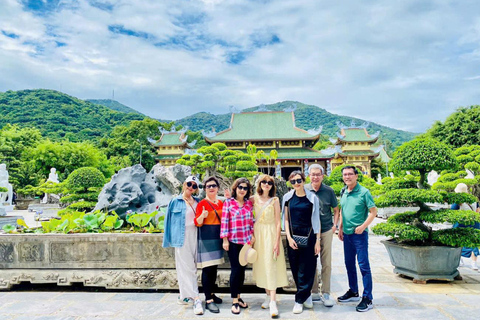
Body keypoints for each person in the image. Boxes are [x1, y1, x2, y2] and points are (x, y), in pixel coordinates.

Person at [162, 176, 204, 315]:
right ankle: (196, 298)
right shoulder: (175, 201)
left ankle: (185, 296)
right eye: (189, 184)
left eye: (194, 186)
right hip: (181, 237)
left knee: (190, 266)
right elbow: (168, 222)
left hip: (196, 236)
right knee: (188, 267)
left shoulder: (198, 202)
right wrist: (167, 240)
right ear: (184, 184)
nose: (190, 187)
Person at [337, 166, 377, 312]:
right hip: (346, 234)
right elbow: (342, 210)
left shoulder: (364, 192)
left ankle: (368, 297)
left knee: (363, 265)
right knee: (349, 264)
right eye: (345, 175)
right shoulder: (343, 191)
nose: (347, 177)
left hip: (359, 235)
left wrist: (363, 226)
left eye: (350, 174)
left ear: (356, 176)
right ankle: (353, 291)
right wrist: (340, 227)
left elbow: (373, 212)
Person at [282, 171, 321, 314]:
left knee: (309, 267)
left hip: (309, 235)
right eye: (293, 182)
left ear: (304, 180)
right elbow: (285, 219)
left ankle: (300, 299)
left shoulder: (312, 197)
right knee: (295, 267)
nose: (296, 184)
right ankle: (306, 294)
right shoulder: (287, 197)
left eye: (299, 180)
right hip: (293, 237)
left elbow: (316, 220)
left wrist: (317, 241)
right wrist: (289, 237)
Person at [251, 174, 288, 317]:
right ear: (259, 184)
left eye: (269, 183)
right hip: (258, 234)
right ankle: (267, 295)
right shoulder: (253, 199)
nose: (266, 184)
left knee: (272, 265)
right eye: (264, 182)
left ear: (272, 186)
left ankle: (273, 301)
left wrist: (277, 241)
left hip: (271, 233)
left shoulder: (275, 200)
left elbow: (278, 221)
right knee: (262, 265)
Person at [305, 164, 340, 307]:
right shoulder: (304, 189)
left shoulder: (329, 191)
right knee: (311, 261)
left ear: (322, 176)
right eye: (312, 174)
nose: (315, 177)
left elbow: (336, 210)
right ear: (309, 175)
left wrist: (334, 226)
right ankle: (313, 291)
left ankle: (326, 292)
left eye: (318, 174)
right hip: (310, 231)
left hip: (325, 229)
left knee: (326, 262)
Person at [220, 177, 255, 315]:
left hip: (246, 242)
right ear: (236, 188)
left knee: (242, 270)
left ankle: (239, 297)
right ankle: (234, 300)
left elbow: (251, 221)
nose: (242, 190)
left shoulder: (248, 204)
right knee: (235, 270)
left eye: (245, 188)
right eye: (240, 187)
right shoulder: (228, 203)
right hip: (233, 242)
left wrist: (252, 235)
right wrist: (225, 240)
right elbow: (225, 222)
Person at [194, 176, 224, 313]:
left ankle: (211, 293)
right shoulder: (202, 204)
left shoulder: (221, 203)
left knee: (214, 267)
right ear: (205, 189)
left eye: (213, 186)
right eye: (208, 186)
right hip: (206, 238)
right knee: (207, 269)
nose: (211, 188)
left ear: (217, 188)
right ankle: (208, 299)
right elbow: (197, 222)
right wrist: (203, 215)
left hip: (217, 237)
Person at [451, 183, 480, 270]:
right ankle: (474, 263)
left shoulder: (458, 201)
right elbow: (478, 211)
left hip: (461, 223)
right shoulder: (473, 199)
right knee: (473, 242)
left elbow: (452, 211)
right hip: (474, 223)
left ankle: (459, 259)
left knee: (458, 241)